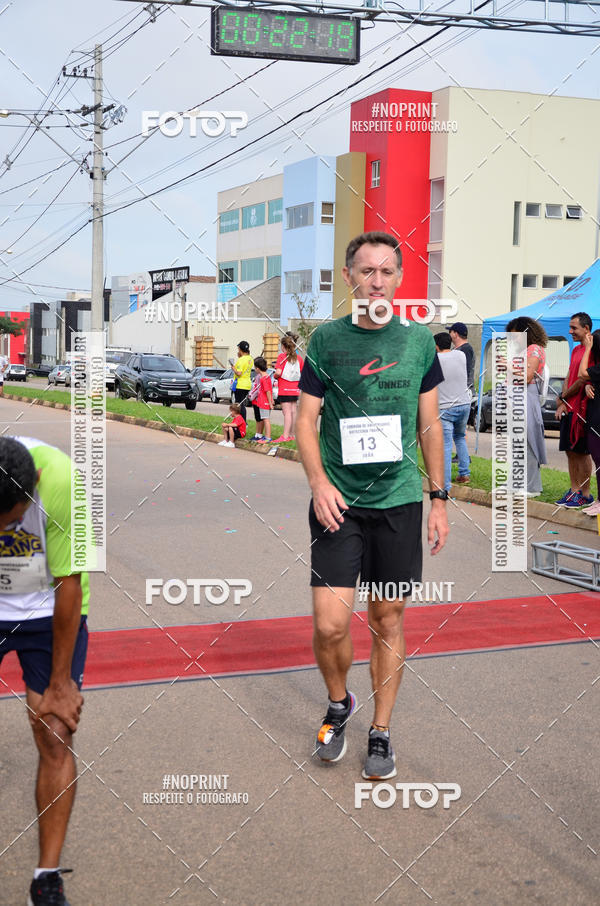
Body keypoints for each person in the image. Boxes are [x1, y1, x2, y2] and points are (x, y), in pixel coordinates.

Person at [296, 230, 448, 781]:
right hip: (339, 501)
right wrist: (317, 482)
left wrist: (438, 497)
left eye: (386, 271)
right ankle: (340, 704)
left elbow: (430, 425)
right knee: (330, 622)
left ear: (400, 278)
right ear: (349, 278)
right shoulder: (325, 341)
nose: (376, 281)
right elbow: (305, 422)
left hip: (400, 501)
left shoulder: (418, 343)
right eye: (366, 271)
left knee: (387, 617)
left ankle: (380, 731)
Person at [0, 436, 90, 906]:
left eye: (13, 520)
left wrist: (60, 684)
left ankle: (46, 878)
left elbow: (69, 585)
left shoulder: (61, 482)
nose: (7, 529)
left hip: (47, 609)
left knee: (55, 732)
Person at [555, 312, 594, 508]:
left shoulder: (592, 350)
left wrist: (564, 397)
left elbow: (582, 379)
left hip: (582, 409)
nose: (570, 331)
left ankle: (585, 494)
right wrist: (563, 401)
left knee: (582, 452)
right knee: (570, 451)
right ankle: (574, 491)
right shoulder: (576, 349)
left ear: (586, 329)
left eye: (574, 328)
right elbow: (570, 373)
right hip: (569, 407)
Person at [505, 316, 548, 497]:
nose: (514, 339)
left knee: (528, 443)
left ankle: (532, 486)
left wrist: (507, 366)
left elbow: (528, 376)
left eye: (516, 335)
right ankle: (516, 483)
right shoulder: (526, 350)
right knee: (517, 444)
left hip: (525, 398)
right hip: (516, 399)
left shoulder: (534, 350)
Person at [434, 332, 471, 489]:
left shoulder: (434, 360)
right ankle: (464, 473)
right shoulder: (461, 355)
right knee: (460, 437)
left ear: (435, 346)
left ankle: (445, 486)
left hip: (446, 408)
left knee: (446, 445)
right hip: (465, 404)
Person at [576, 329, 600, 515]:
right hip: (594, 419)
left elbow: (582, 373)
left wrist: (588, 347)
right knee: (597, 459)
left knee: (599, 459)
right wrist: (588, 386)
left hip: (598, 423)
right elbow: (587, 379)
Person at [273, 335, 304, 443]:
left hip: (285, 388)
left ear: (283, 346)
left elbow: (278, 372)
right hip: (295, 389)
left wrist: (275, 376)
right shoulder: (299, 358)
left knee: (286, 413)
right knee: (293, 411)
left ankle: (285, 436)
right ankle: (292, 435)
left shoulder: (282, 357)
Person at [251, 357, 274, 444]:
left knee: (266, 419)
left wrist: (270, 402)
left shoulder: (263, 378)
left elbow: (268, 391)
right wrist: (271, 400)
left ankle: (268, 437)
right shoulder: (267, 376)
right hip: (264, 401)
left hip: (264, 402)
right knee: (265, 419)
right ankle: (266, 436)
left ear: (257, 368)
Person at [447, 322, 475, 392]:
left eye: (450, 332)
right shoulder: (456, 349)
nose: (449, 334)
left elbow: (465, 372)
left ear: (455, 334)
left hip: (464, 392)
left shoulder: (465, 349)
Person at [231, 341, 253, 423]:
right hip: (247, 384)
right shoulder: (250, 359)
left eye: (238, 348)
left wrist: (233, 367)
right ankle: (242, 421)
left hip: (240, 384)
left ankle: (241, 422)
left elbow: (239, 373)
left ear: (240, 349)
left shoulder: (241, 360)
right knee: (242, 404)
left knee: (238, 405)